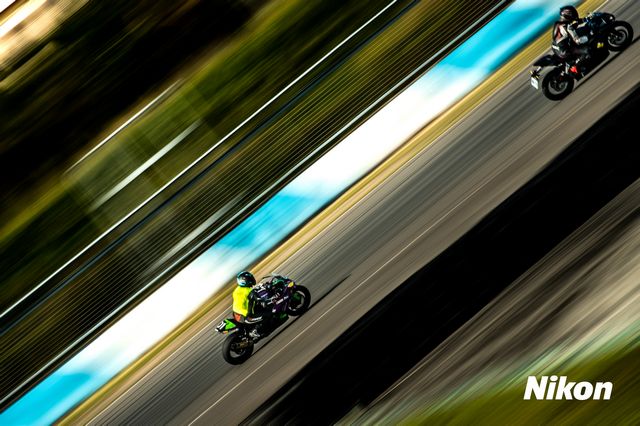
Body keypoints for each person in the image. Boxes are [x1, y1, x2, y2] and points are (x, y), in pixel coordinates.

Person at [232, 271, 290, 339]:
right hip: (246, 315)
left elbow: (249, 297)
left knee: (259, 308)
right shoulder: (249, 291)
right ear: (245, 281)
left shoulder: (238, 290)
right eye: (250, 279)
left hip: (236, 313)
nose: (252, 279)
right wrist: (269, 300)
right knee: (269, 313)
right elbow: (258, 298)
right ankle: (256, 332)